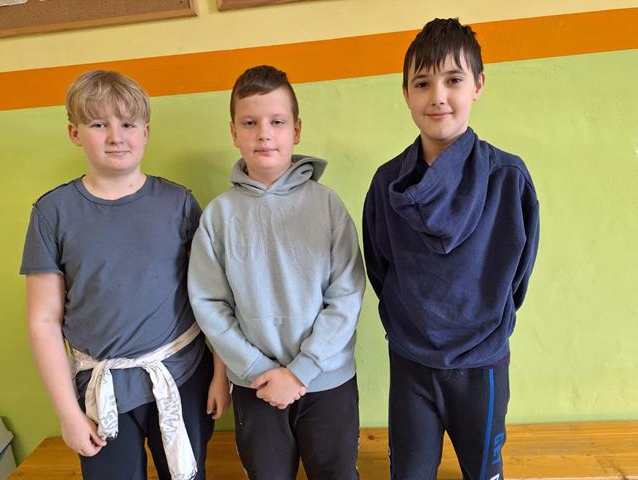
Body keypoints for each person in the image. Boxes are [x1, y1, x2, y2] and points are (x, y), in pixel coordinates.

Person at [20, 70, 230, 480]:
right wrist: (67, 414)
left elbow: (213, 296)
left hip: (181, 375)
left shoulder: (178, 203)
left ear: (146, 132)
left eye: (128, 124)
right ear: (75, 133)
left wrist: (221, 374)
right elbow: (43, 320)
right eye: (99, 124)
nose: (116, 136)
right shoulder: (52, 213)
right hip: (100, 389)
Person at [363, 18, 540, 479]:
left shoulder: (508, 178)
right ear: (406, 93)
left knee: (483, 472)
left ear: (478, 85)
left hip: (482, 364)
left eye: (454, 80)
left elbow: (519, 273)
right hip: (411, 362)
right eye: (422, 83)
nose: (437, 96)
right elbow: (379, 267)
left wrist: (485, 325)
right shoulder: (387, 183)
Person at [188, 65, 365, 480]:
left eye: (277, 122)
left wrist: (301, 370)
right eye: (250, 123)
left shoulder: (327, 205)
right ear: (234, 132)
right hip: (256, 386)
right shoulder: (218, 216)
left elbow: (347, 294)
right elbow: (210, 305)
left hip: (327, 381)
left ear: (296, 130)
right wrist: (257, 369)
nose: (264, 134)